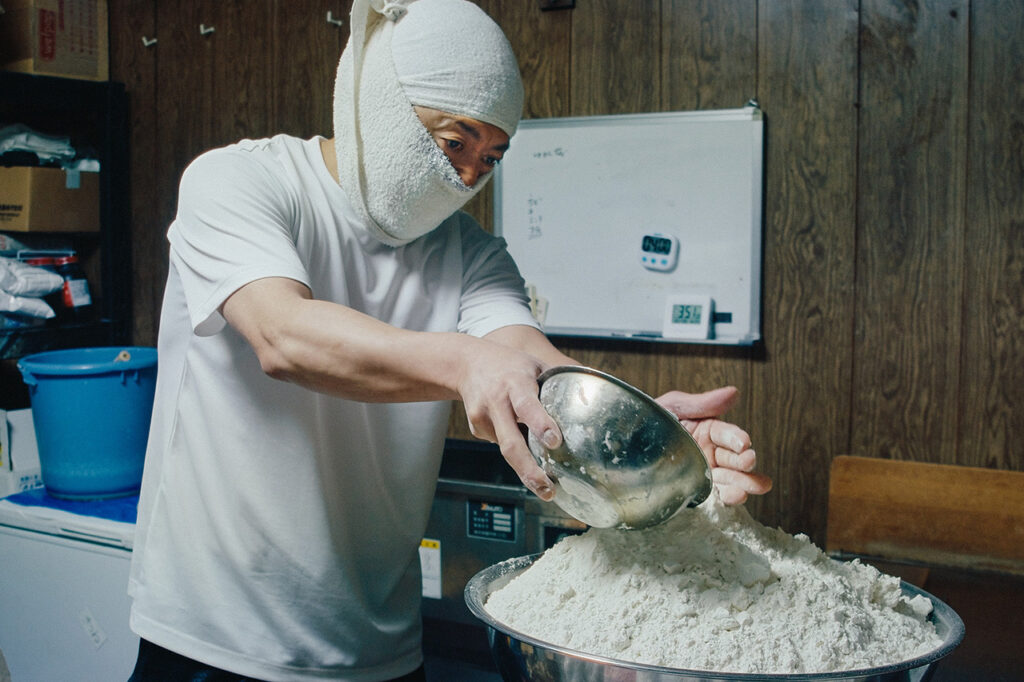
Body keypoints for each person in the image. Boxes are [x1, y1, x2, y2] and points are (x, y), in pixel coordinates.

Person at [126, 0, 772, 680]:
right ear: (380, 103)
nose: (468, 177)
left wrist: (640, 442)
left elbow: (538, 376)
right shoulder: (241, 183)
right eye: (452, 142)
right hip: (214, 636)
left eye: (490, 157)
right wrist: (466, 361)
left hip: (379, 648)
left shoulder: (470, 253)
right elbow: (283, 336)